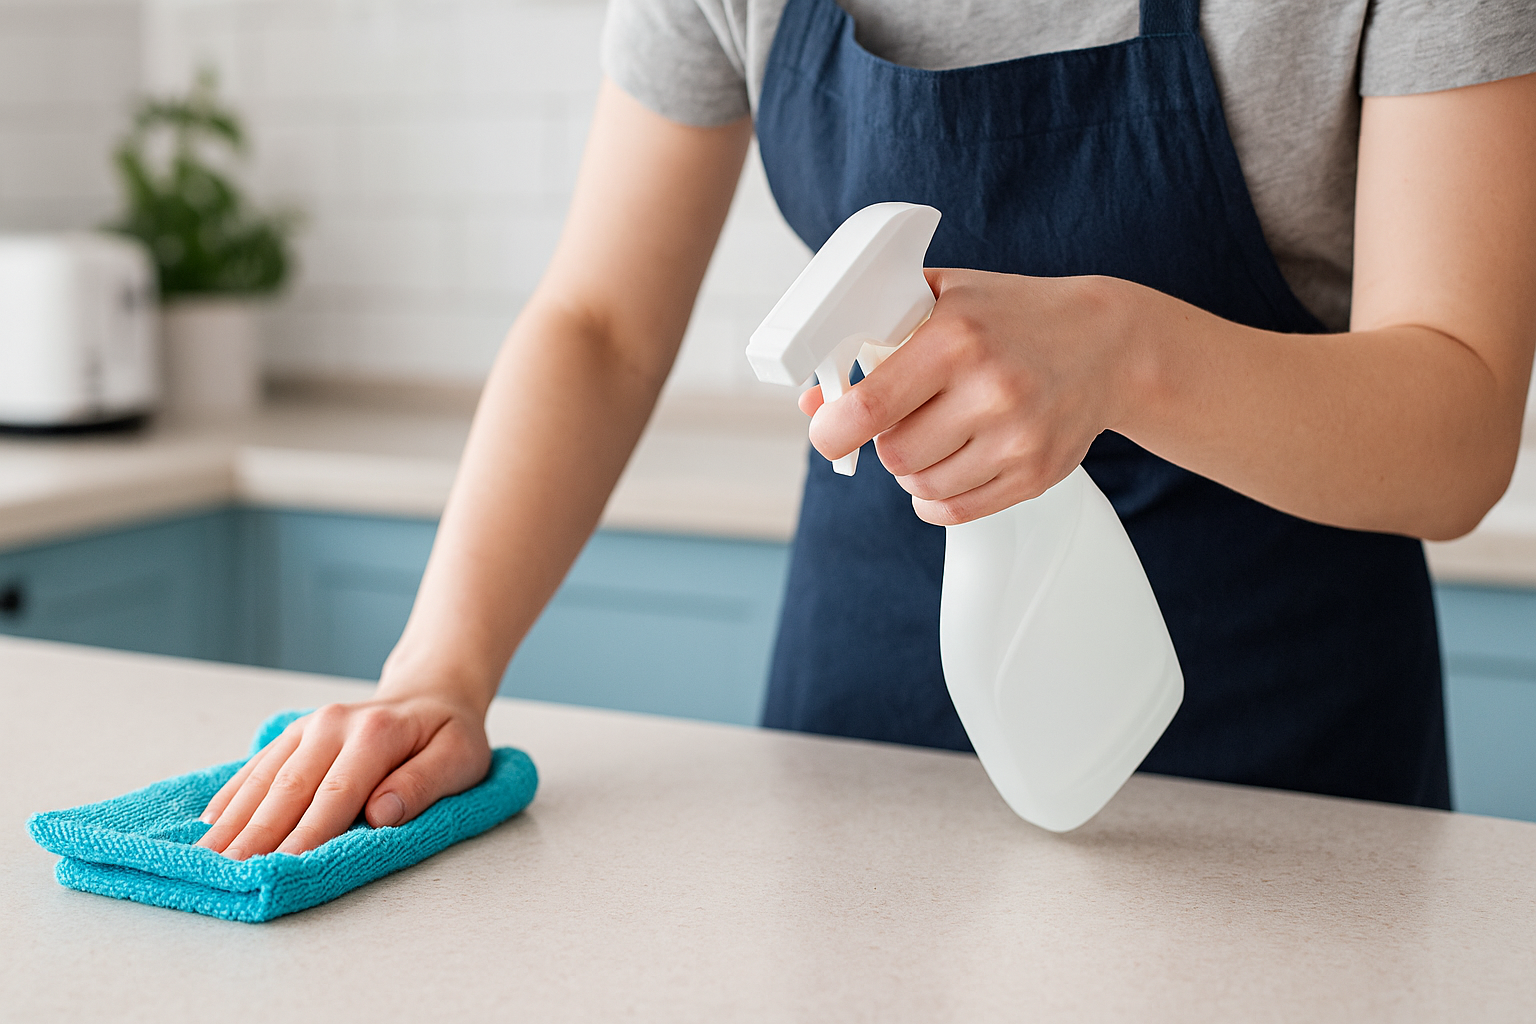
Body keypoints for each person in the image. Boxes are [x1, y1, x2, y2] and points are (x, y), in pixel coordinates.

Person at [197, 0, 1536, 858]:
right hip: (857, 750)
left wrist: (1127, 351)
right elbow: (600, 324)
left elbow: (1458, 422)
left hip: (1280, 787)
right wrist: (440, 667)